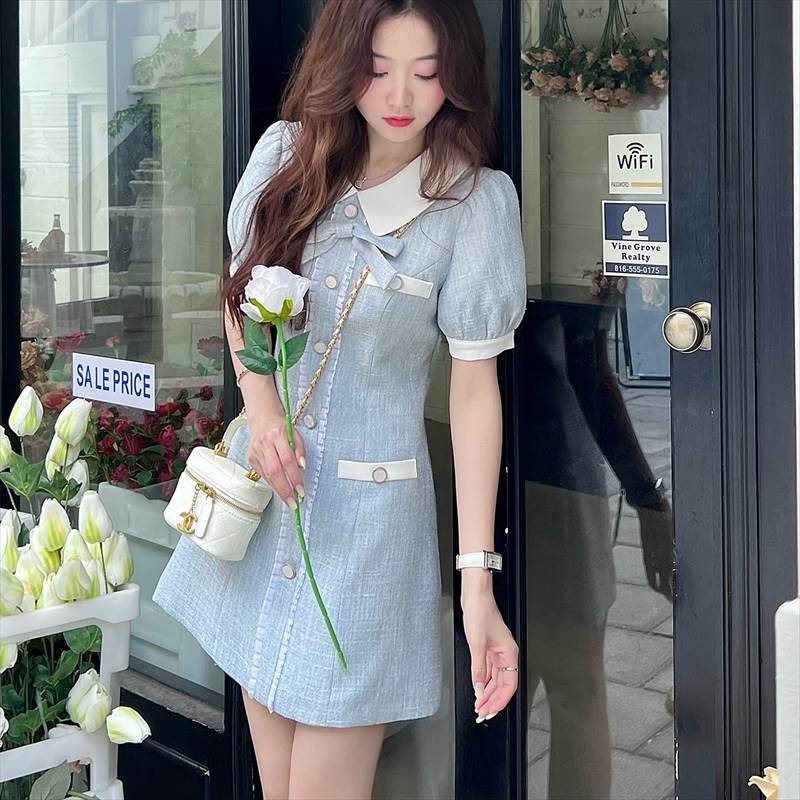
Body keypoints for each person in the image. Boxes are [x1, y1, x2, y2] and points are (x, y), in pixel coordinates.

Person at [153, 1, 527, 797]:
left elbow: (473, 396)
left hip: (368, 540)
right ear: (343, 64)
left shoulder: (473, 205)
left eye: (426, 72)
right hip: (266, 511)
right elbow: (239, 295)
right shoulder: (288, 155)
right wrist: (261, 412)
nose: (400, 96)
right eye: (376, 70)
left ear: (456, 77)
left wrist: (477, 584)